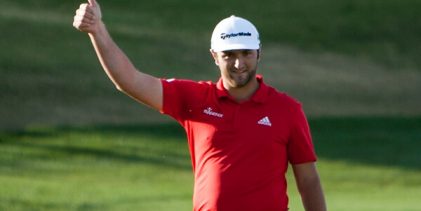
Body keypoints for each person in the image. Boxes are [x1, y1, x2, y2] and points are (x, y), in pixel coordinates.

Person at [73, 0, 327, 210]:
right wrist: (98, 31)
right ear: (214, 56)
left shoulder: (287, 110)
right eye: (229, 55)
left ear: (258, 53)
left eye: (246, 54)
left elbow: (308, 181)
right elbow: (130, 81)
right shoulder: (194, 99)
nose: (239, 64)